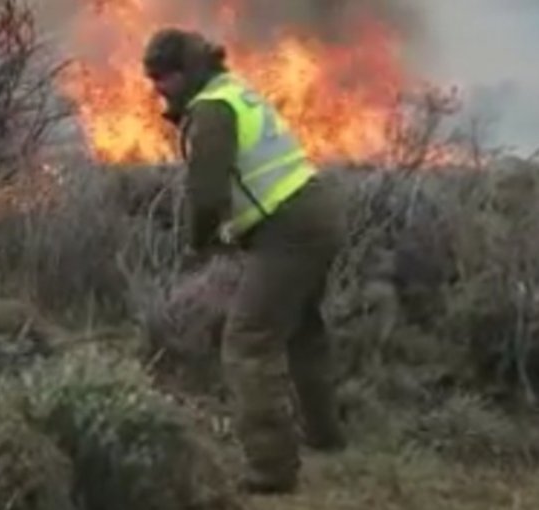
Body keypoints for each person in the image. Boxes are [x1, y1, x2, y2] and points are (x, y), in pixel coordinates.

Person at [142, 27, 348, 494]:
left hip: (289, 227)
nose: (157, 88)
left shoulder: (212, 110)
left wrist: (200, 243)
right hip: (315, 213)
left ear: (184, 71)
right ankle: (325, 435)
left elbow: (207, 192)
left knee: (248, 341)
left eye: (163, 78)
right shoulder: (230, 91)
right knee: (304, 330)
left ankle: (271, 470)